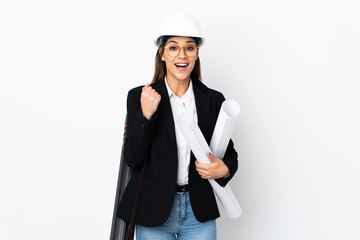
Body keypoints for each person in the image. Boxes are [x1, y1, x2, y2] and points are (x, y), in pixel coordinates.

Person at [116, 12, 238, 240]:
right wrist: (146, 115)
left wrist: (225, 169)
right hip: (154, 211)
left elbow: (229, 153)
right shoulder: (140, 97)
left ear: (197, 53)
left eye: (189, 48)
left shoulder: (213, 100)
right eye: (173, 47)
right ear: (161, 53)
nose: (181, 55)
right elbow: (132, 159)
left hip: (198, 212)